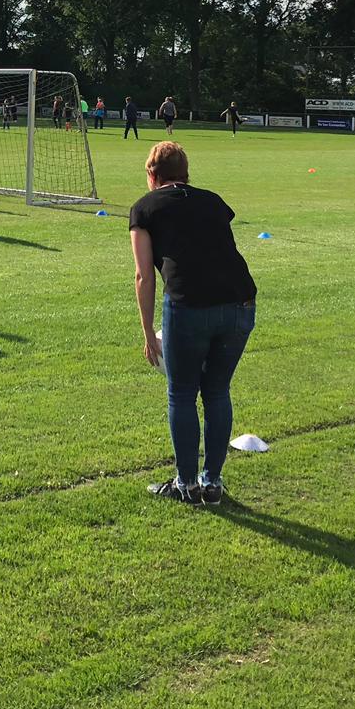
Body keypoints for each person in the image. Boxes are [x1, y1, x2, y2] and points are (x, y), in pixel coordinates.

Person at [129, 141, 257, 505]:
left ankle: (186, 483)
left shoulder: (144, 207)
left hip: (189, 306)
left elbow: (144, 276)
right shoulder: (214, 201)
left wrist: (147, 332)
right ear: (186, 174)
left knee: (182, 393)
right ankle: (212, 483)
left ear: (152, 175)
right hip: (241, 302)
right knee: (217, 391)